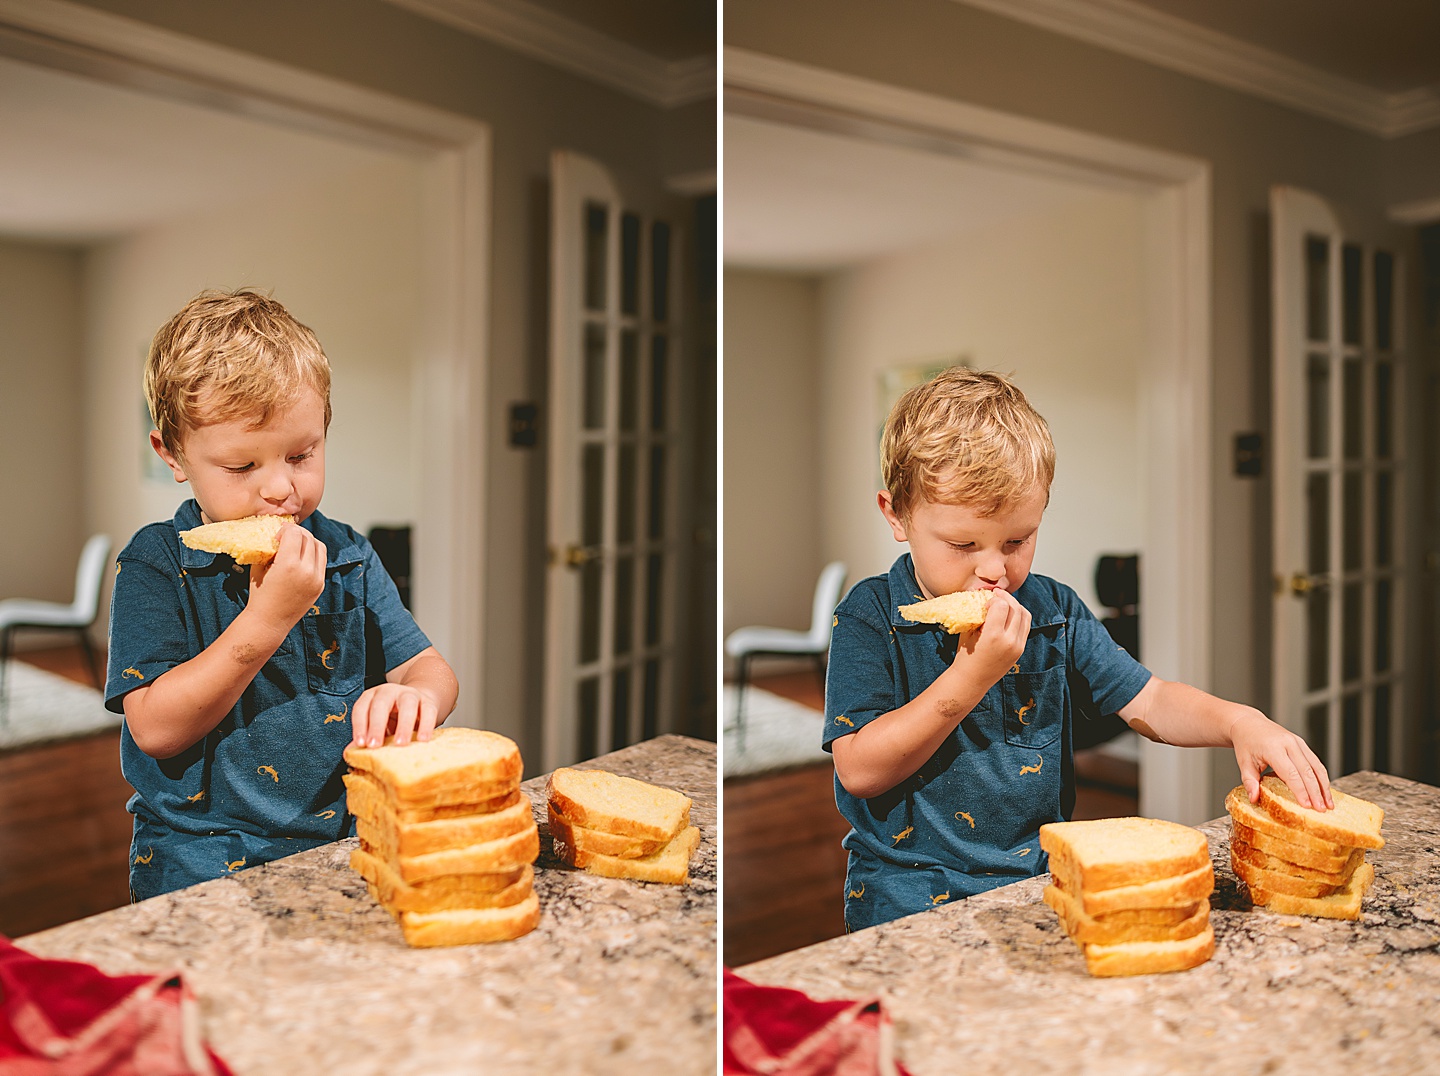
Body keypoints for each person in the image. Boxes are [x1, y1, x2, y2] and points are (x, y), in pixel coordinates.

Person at [825, 367, 1331, 932]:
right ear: (896, 514)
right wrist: (972, 676)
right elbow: (861, 771)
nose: (994, 570)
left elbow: (1151, 700)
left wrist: (1239, 721)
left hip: (1039, 889)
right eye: (963, 544)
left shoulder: (1054, 612)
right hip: (902, 901)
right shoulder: (869, 616)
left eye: (1017, 540)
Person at [107, 288, 459, 901]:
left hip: (344, 844)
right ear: (173, 453)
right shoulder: (157, 562)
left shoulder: (348, 553)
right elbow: (157, 730)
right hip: (198, 858)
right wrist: (267, 618)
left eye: (301, 454)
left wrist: (414, 697)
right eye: (242, 467)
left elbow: (427, 667)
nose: (278, 488)